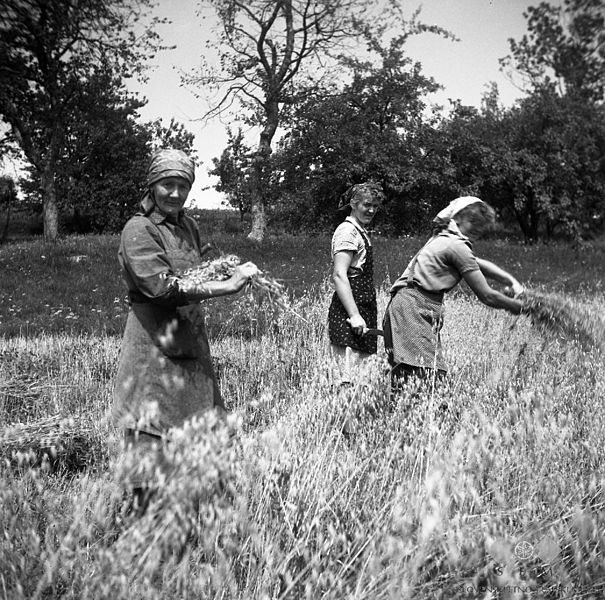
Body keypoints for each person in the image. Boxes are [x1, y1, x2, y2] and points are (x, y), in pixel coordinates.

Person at [112, 148, 257, 515]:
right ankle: (143, 522)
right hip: (152, 343)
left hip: (189, 340)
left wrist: (227, 268)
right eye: (167, 185)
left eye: (182, 186)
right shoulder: (139, 229)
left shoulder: (188, 226)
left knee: (200, 419)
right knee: (151, 427)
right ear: (152, 185)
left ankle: (192, 510)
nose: (175, 193)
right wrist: (228, 287)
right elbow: (160, 288)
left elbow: (199, 269)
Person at [383, 196, 524, 393]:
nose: (477, 230)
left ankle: (401, 420)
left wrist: (511, 281)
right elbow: (487, 295)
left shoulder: (445, 239)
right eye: (473, 223)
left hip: (405, 306)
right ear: (459, 218)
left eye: (480, 226)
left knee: (410, 379)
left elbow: (478, 264)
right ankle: (412, 420)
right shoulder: (456, 246)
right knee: (427, 380)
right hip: (413, 311)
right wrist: (520, 307)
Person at [328, 181, 385, 384]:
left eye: (375, 206)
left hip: (363, 310)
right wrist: (354, 315)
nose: (371, 210)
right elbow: (339, 275)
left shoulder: (360, 231)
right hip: (349, 314)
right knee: (346, 381)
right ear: (353, 203)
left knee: (363, 382)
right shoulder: (348, 232)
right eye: (366, 205)